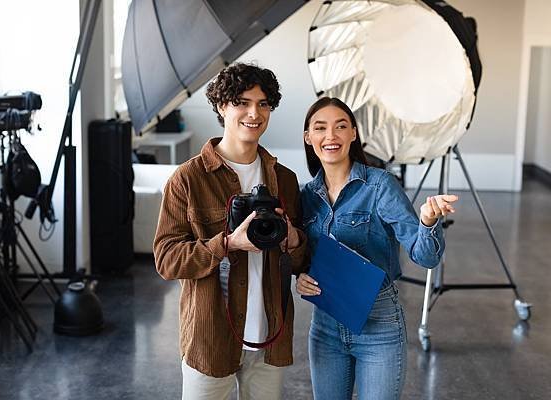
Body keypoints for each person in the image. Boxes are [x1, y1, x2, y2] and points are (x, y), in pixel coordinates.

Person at [154, 62, 307, 400]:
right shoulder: (188, 179)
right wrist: (227, 243)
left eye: (263, 104)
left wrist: (293, 239)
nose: (255, 113)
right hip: (210, 337)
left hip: (269, 336)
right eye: (242, 102)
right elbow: (166, 260)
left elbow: (299, 261)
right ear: (222, 106)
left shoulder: (284, 180)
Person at [296, 97, 458, 400]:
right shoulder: (305, 196)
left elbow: (426, 256)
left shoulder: (380, 185)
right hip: (326, 326)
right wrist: (301, 274)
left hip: (379, 325)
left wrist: (427, 221)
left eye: (340, 126)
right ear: (308, 138)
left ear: (353, 134)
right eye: (320, 128)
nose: (331, 136)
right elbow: (301, 253)